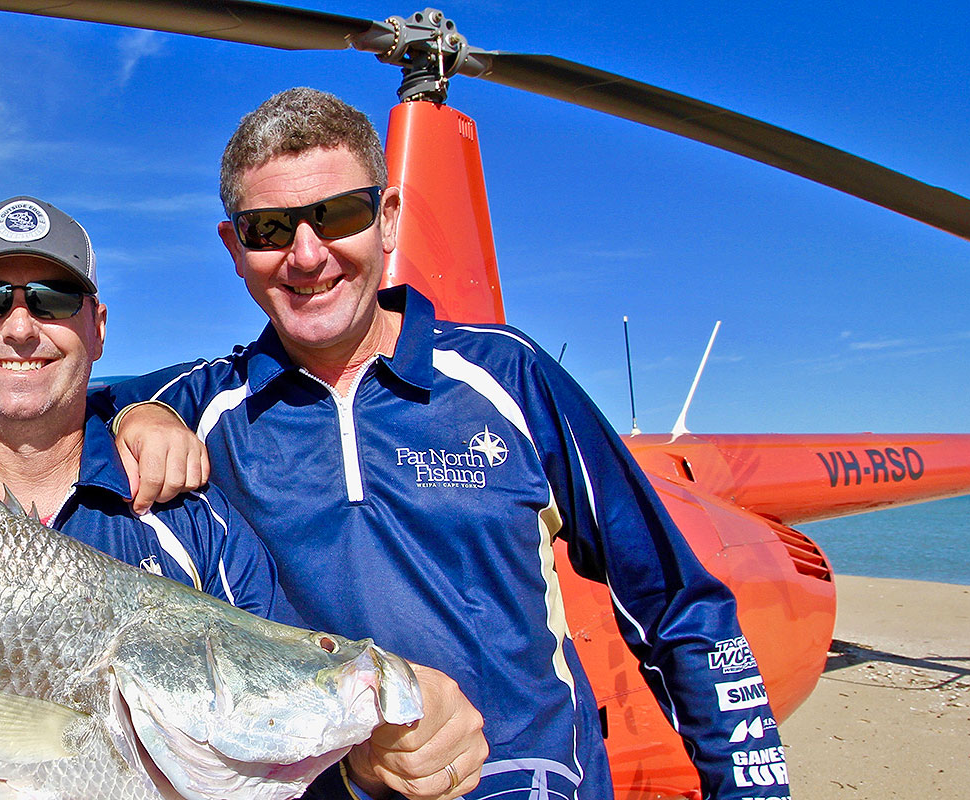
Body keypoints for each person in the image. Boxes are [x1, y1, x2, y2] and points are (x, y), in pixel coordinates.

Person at [109, 87, 791, 800]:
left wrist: (752, 786)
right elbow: (45, 406)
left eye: (339, 215)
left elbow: (676, 601)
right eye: (270, 228)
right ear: (234, 248)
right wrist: (134, 416)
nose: (307, 256)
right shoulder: (207, 402)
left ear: (389, 219)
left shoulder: (509, 378)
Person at [0, 197, 488, 800]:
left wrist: (374, 761)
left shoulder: (196, 526)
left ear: (99, 327)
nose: (19, 326)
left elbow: (276, 731)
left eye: (51, 298)